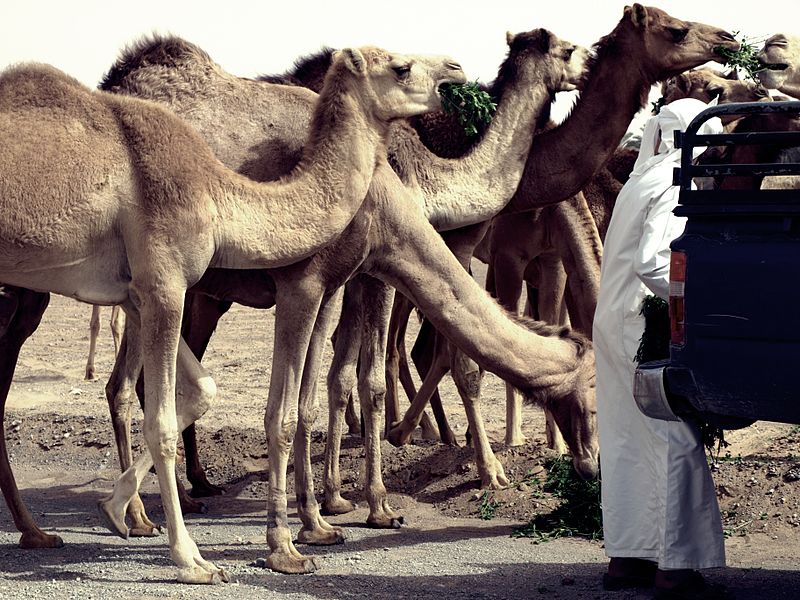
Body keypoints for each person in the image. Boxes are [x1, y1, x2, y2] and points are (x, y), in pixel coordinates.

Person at [593, 97, 732, 600]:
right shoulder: (674, 178)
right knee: (674, 439)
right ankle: (674, 569)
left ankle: (628, 559)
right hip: (642, 326)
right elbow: (656, 262)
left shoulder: (640, 180)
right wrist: (703, 301)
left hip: (612, 323)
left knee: (627, 439)